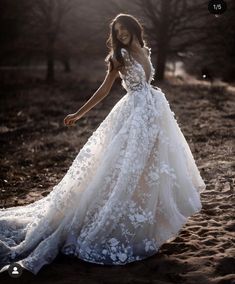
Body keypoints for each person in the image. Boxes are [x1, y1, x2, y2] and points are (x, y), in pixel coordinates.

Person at [0, 13, 206, 275]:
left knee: (150, 169)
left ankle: (145, 223)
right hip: (132, 115)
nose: (120, 34)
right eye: (116, 31)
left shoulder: (144, 49)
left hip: (153, 114)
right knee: (123, 169)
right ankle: (112, 220)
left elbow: (147, 81)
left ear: (133, 28)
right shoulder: (119, 57)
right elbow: (104, 90)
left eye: (124, 29)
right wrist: (78, 114)